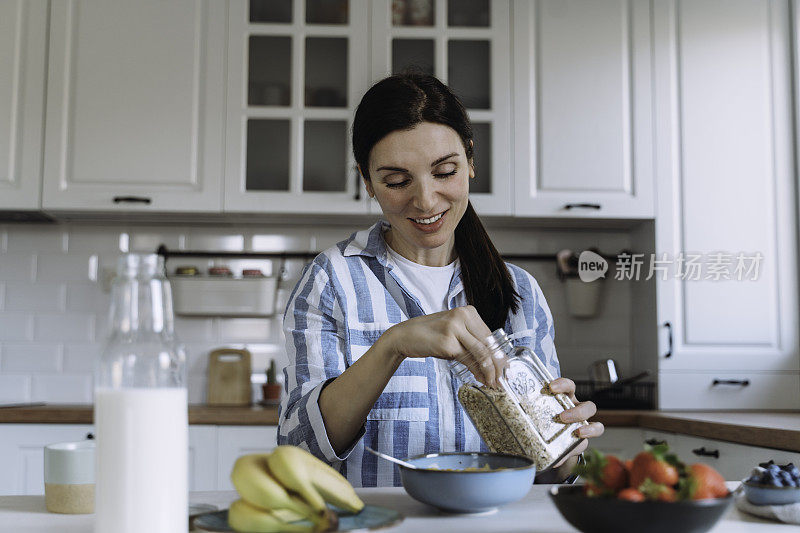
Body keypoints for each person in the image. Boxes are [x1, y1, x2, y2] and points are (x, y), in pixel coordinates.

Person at [278, 73, 604, 487]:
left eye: (444, 171)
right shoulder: (332, 282)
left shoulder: (520, 292)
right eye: (397, 181)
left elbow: (544, 473)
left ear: (470, 160)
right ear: (368, 182)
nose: (426, 200)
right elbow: (299, 450)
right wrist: (392, 345)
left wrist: (567, 452)